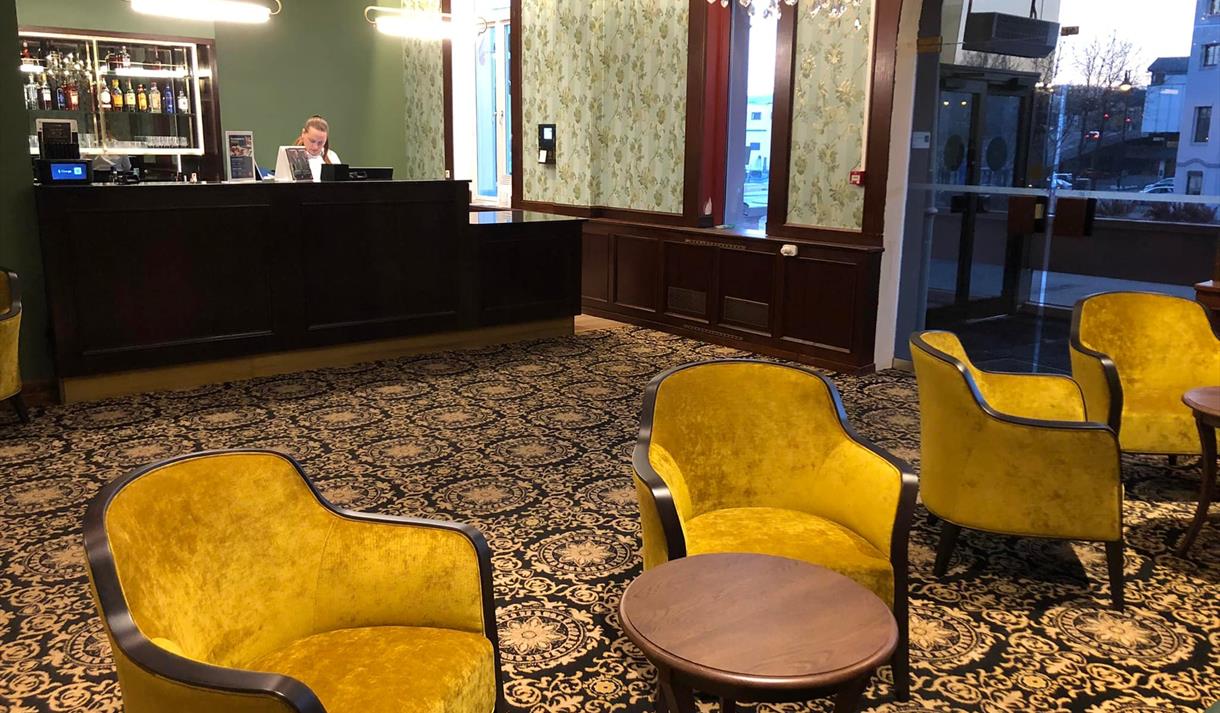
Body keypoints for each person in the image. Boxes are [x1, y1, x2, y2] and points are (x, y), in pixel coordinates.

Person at [293, 115, 340, 181]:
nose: (315, 147)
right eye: (312, 141)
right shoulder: (292, 158)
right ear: (303, 133)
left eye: (320, 143)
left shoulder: (332, 157)